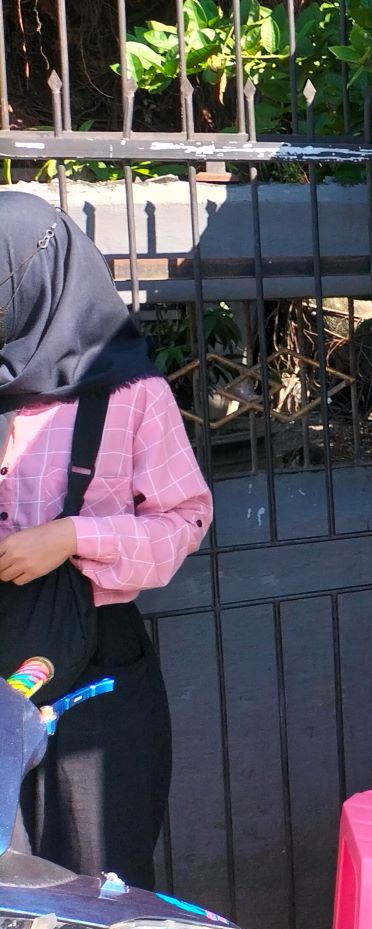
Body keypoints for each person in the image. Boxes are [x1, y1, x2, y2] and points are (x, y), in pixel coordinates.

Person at [0, 192, 211, 886]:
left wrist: (69, 537)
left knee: (95, 889)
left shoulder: (129, 394)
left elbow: (185, 521)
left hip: (94, 675)